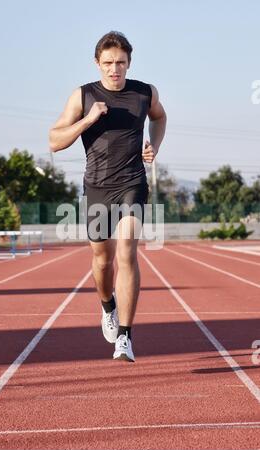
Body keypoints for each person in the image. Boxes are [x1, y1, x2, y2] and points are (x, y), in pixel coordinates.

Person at [49, 31, 166, 362]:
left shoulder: (145, 93)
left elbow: (160, 117)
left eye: (121, 63)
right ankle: (107, 306)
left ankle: (125, 337)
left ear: (129, 62)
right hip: (97, 187)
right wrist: (88, 119)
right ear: (97, 63)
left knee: (127, 251)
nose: (115, 69)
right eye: (109, 63)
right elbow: (54, 141)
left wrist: (154, 146)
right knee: (103, 259)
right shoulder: (83, 96)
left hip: (132, 183)